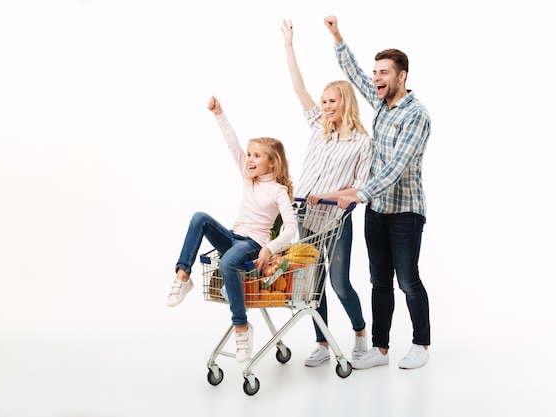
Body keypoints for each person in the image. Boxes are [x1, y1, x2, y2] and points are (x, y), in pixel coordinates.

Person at [325, 15, 432, 370]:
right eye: (375, 73)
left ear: (402, 76)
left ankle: (421, 344)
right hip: (377, 211)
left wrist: (359, 192)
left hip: (405, 212)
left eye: (383, 73)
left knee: (407, 280)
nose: (376, 79)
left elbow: (398, 166)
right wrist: (337, 35)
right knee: (378, 281)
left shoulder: (416, 114)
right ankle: (381, 350)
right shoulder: (380, 104)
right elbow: (353, 73)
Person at [166, 96, 298, 363]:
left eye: (256, 156)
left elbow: (291, 229)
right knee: (199, 217)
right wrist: (219, 114)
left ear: (272, 162)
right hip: (233, 237)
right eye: (249, 155)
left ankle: (241, 327)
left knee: (228, 262)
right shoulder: (247, 176)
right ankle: (183, 276)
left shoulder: (278, 190)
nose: (249, 159)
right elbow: (232, 144)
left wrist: (268, 249)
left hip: (252, 245)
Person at [281, 19, 374, 367]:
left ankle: (360, 334)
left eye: (331, 100)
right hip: (305, 216)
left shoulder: (362, 142)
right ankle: (322, 342)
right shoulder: (318, 130)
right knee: (312, 283)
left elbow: (361, 188)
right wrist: (289, 45)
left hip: (334, 221)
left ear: (345, 102)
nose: (325, 106)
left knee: (339, 283)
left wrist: (329, 196)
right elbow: (297, 87)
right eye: (323, 101)